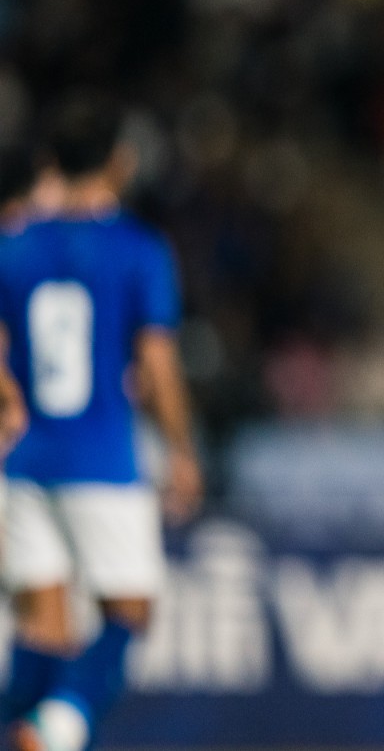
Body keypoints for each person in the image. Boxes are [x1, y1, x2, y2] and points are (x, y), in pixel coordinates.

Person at [0, 96, 203, 751]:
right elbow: (157, 359)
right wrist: (180, 447)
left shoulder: (14, 244)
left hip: (23, 457)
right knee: (129, 612)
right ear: (122, 160)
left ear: (50, 160)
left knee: (44, 626)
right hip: (103, 457)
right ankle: (55, 729)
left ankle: (35, 727)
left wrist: (7, 394)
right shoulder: (139, 248)